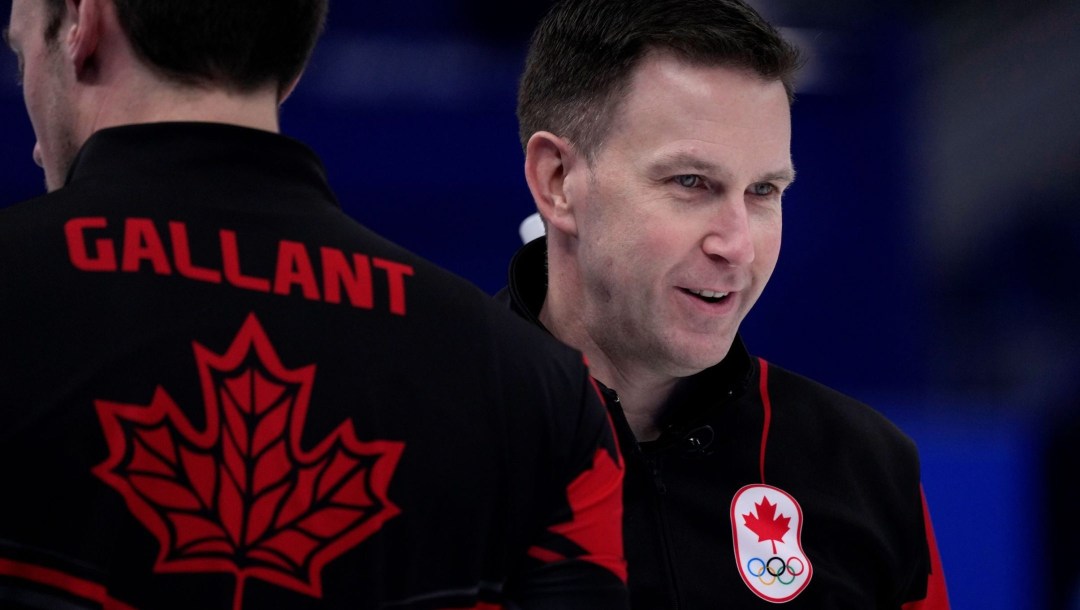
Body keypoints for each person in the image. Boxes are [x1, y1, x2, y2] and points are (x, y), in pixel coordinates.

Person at [0, 0, 628, 608]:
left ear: (84, 21)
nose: (32, 145)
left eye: (22, 50)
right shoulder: (543, 395)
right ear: (292, 65)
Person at [500, 0, 950, 607]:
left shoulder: (865, 468)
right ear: (557, 181)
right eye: (691, 183)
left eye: (764, 190)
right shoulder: (410, 438)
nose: (737, 245)